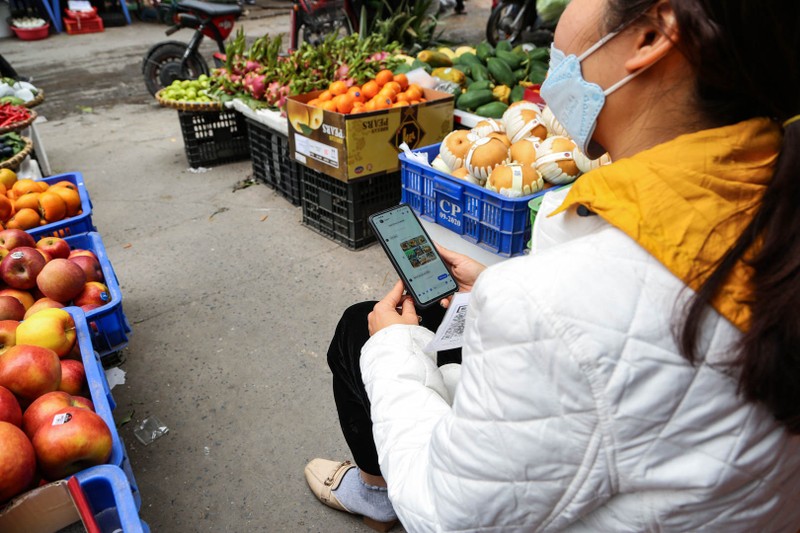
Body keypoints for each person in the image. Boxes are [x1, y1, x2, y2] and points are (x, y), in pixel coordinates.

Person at [304, 0, 800, 530]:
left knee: (365, 331)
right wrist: (498, 282)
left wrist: (391, 350)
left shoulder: (553, 303)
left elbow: (446, 515)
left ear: (652, 37)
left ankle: (378, 495)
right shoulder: (773, 189)